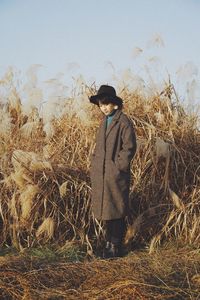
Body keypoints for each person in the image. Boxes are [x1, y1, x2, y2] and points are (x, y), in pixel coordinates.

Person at [89, 85, 137, 258]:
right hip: (102, 175)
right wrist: (95, 164)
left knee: (117, 209)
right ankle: (109, 244)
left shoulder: (123, 121)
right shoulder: (104, 122)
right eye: (101, 104)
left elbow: (129, 147)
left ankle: (115, 246)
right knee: (108, 211)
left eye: (107, 103)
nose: (103, 107)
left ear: (115, 104)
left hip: (115, 174)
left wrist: (118, 166)